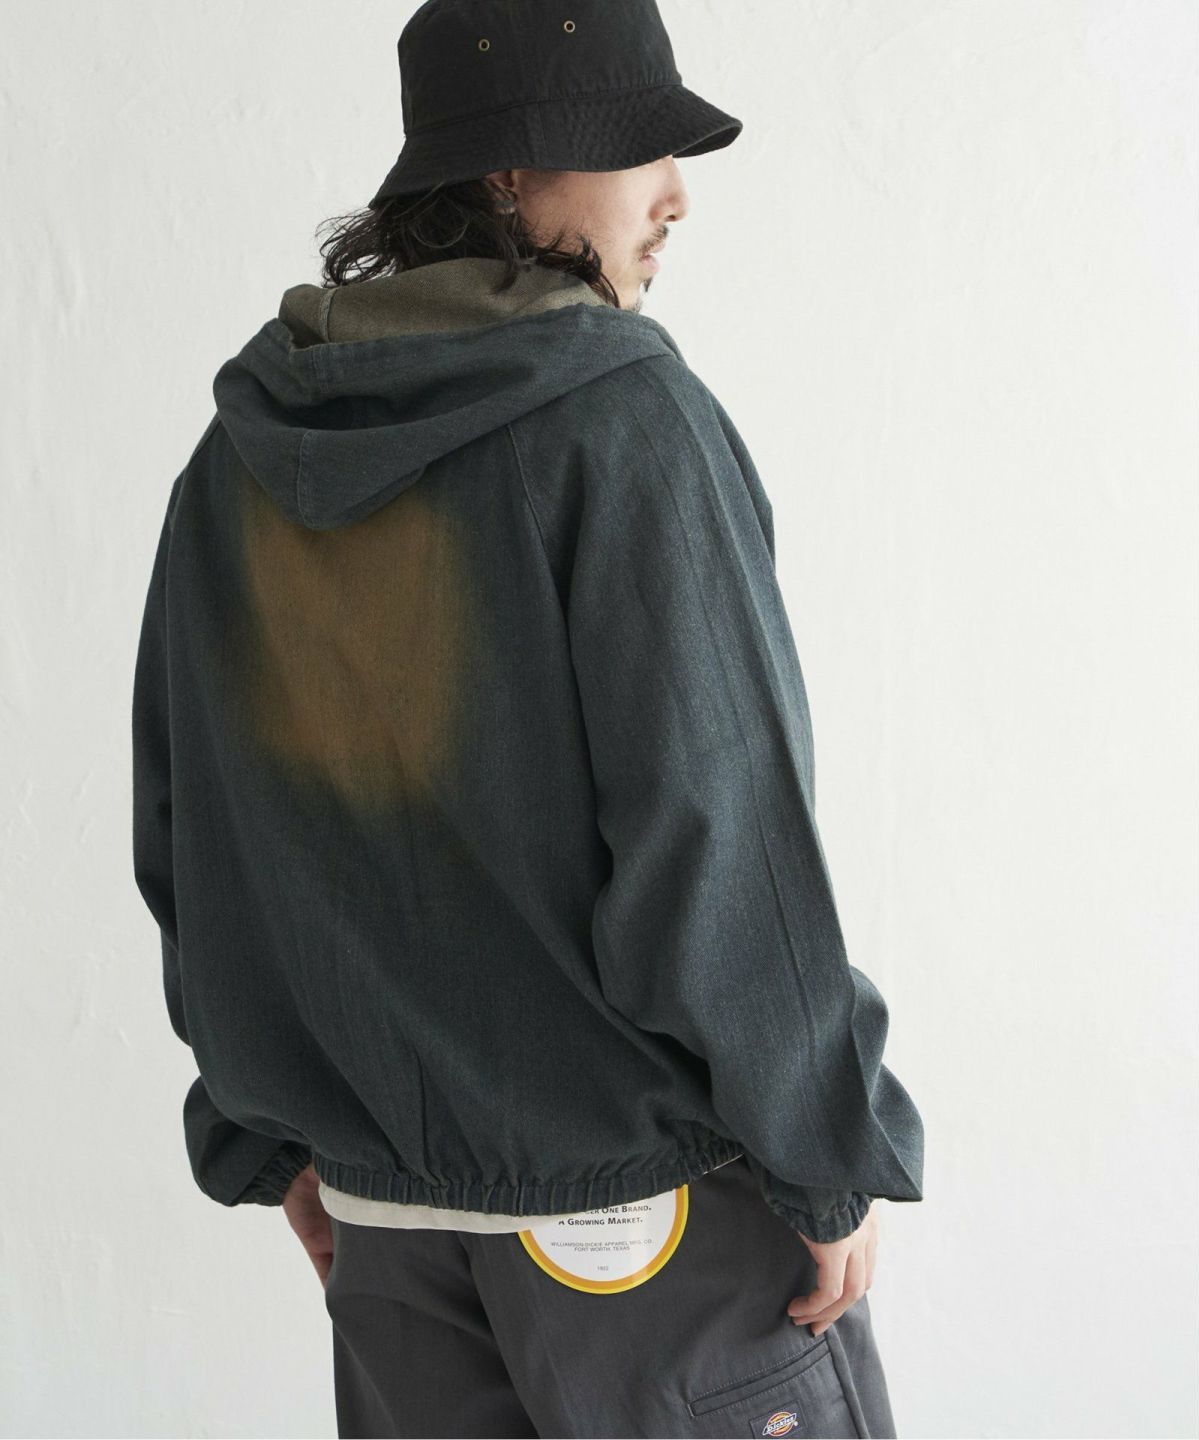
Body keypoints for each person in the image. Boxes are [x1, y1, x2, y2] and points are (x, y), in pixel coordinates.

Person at [130, 1, 925, 1435]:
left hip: (387, 1230)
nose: (675, 195)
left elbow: (197, 826)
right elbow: (718, 830)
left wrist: (267, 1136)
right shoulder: (622, 424)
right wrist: (828, 1153)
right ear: (507, 170)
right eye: (637, 150)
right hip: (650, 1238)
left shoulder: (239, 464)